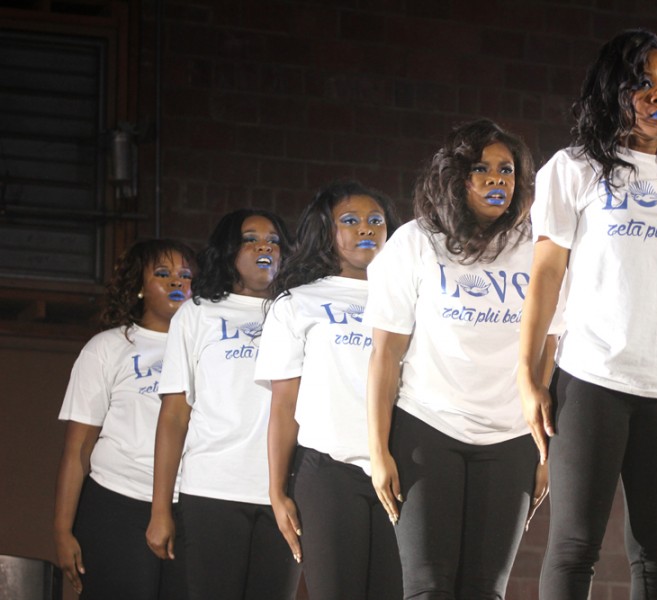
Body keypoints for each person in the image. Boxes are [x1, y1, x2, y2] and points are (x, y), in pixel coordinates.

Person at [517, 29, 657, 599]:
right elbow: (545, 275)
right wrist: (528, 374)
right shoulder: (574, 169)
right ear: (613, 91)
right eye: (642, 83)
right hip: (595, 377)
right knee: (574, 547)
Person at [366, 119, 560, 599]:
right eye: (481, 168)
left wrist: (544, 452)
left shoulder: (537, 248)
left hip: (511, 438)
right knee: (429, 587)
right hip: (427, 429)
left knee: (484, 591)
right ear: (456, 178)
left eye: (507, 170)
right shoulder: (415, 242)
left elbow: (549, 351)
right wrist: (377, 451)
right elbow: (385, 354)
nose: (497, 179)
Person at [256, 180, 403, 599]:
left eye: (376, 220)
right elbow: (284, 406)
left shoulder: (411, 298)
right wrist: (277, 489)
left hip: (399, 470)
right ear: (327, 231)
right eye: (350, 221)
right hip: (328, 473)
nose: (366, 229)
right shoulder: (296, 304)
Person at [146, 209, 302, 600]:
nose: (264, 245)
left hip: (285, 495)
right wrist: (160, 508)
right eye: (250, 238)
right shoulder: (197, 314)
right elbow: (174, 415)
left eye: (274, 240)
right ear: (229, 250)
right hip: (212, 490)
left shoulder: (298, 312)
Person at [54, 239, 195, 599]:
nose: (177, 283)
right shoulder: (109, 347)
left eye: (185, 275)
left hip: (190, 504)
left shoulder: (205, 347)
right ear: (138, 287)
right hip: (118, 502)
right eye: (163, 274)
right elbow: (78, 449)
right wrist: (62, 529)